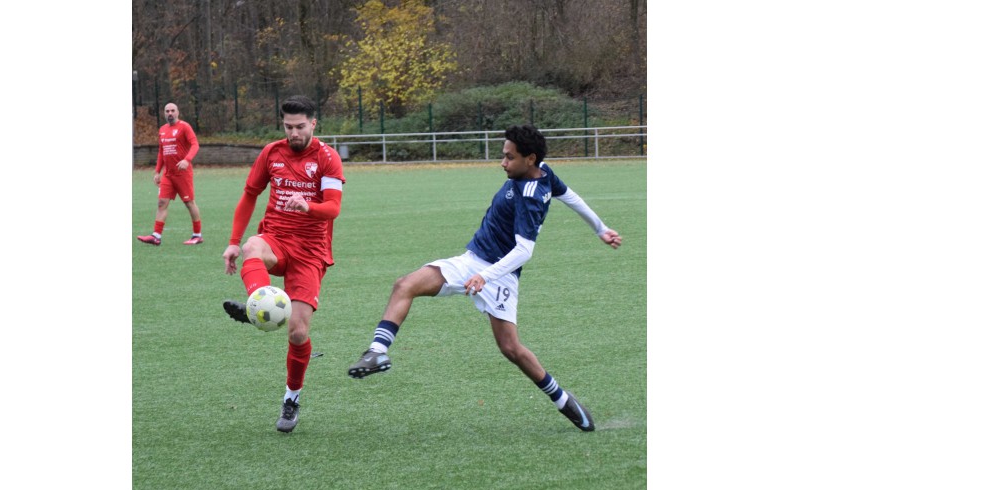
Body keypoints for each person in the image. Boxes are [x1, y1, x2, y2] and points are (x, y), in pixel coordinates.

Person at [347, 124, 622, 432]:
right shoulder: (543, 171)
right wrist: (600, 229)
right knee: (405, 284)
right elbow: (570, 196)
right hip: (471, 261)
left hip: (500, 275)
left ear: (529, 158)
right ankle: (377, 353)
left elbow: (524, 251)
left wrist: (485, 276)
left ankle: (561, 399)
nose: (502, 163)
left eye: (509, 157)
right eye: (503, 155)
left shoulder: (530, 195)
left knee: (511, 349)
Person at [221, 96, 346, 433]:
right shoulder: (271, 153)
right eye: (288, 127)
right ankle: (258, 305)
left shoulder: (327, 158)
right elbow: (250, 194)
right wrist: (233, 241)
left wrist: (308, 206)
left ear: (313, 124)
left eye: (300, 126)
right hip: (275, 239)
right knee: (251, 246)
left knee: (299, 332)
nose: (293, 133)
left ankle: (292, 398)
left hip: (310, 251)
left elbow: (333, 207)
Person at [137, 102, 205, 246]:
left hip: (182, 173)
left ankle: (197, 235)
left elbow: (195, 145)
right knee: (161, 203)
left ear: (177, 112)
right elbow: (161, 152)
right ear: (164, 113)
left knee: (189, 203)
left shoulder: (184, 127)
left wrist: (187, 160)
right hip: (168, 174)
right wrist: (157, 171)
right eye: (167, 111)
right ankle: (156, 236)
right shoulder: (162, 129)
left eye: (172, 110)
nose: (170, 113)